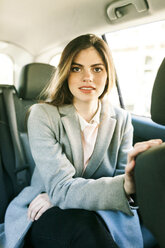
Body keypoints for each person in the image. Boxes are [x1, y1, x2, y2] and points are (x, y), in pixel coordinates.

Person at [0, 34, 162, 248]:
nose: (88, 77)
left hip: (104, 212)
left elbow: (122, 182)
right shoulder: (42, 115)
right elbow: (63, 188)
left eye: (97, 69)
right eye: (77, 68)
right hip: (45, 208)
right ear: (66, 73)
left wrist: (63, 194)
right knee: (83, 227)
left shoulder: (121, 119)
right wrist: (60, 196)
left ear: (108, 74)